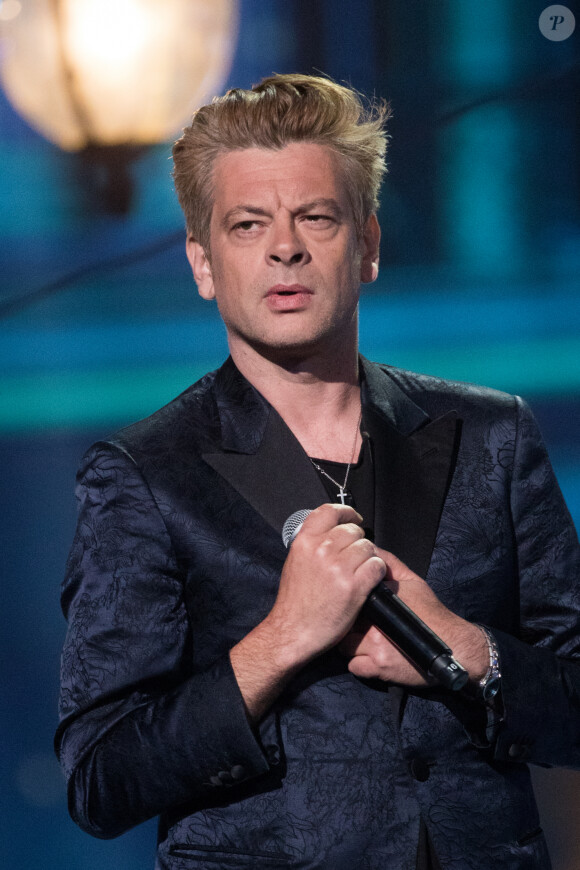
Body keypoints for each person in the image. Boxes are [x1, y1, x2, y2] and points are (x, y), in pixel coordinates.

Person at [56, 74, 580, 870]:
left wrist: (468, 652)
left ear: (367, 245)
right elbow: (101, 780)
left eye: (316, 217)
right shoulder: (144, 477)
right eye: (247, 224)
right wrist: (283, 639)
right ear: (203, 262)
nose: (285, 247)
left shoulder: (493, 435)